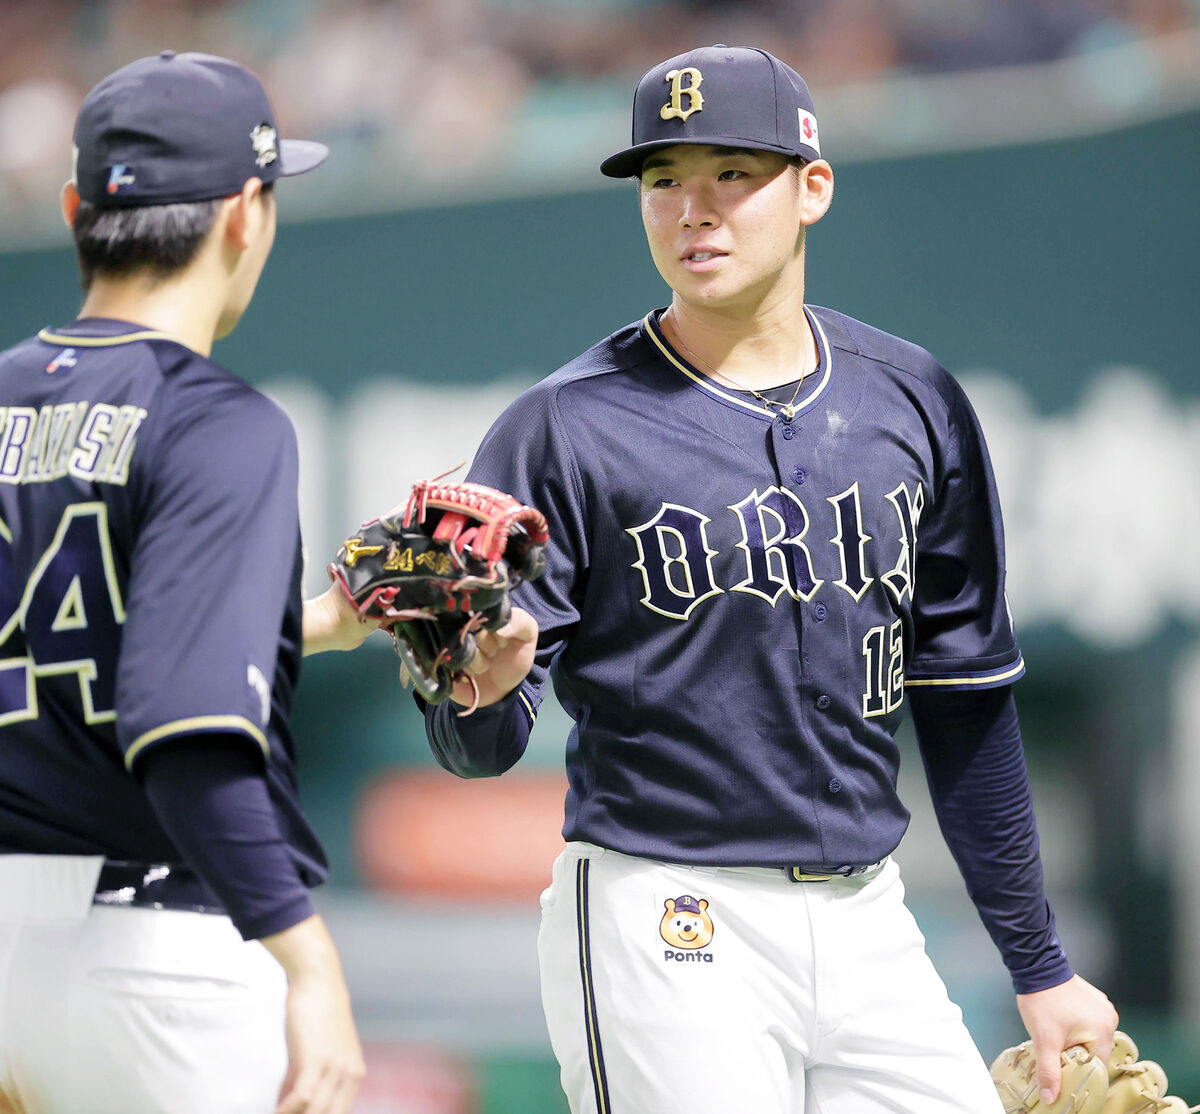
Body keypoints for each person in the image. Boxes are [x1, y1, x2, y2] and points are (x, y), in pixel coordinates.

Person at [422, 44, 1119, 1114]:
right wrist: (470, 685)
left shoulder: (913, 400)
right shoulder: (563, 426)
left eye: (731, 176)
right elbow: (483, 737)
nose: (693, 210)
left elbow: (966, 698)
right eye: (663, 182)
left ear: (813, 187)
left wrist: (1040, 965)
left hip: (869, 917)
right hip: (665, 909)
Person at [0, 51, 378, 1114]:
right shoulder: (216, 420)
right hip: (156, 954)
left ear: (78, 208)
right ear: (247, 215)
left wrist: (302, 627)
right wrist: (307, 960)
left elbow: (67, 651)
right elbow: (181, 730)